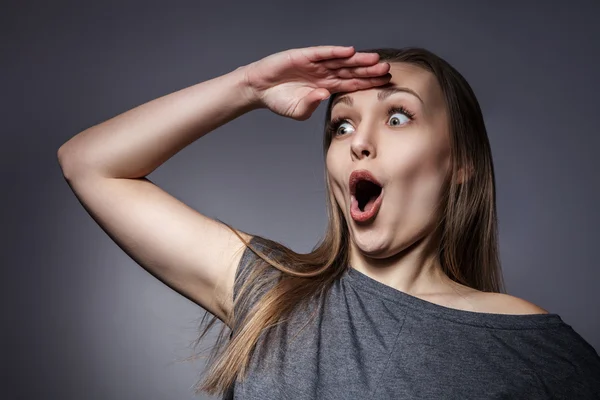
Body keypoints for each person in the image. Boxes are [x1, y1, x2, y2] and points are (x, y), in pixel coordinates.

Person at [57, 45, 600, 399]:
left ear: (461, 163)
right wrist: (247, 87)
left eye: (397, 116)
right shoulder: (270, 293)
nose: (360, 141)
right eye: (341, 126)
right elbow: (90, 165)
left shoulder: (537, 353)